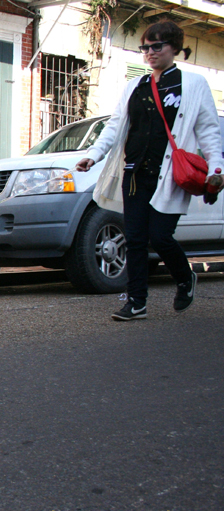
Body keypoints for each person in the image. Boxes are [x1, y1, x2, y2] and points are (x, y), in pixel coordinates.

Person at [76, 19, 224, 321]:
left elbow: (208, 129)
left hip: (170, 175)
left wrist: (216, 166)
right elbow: (116, 126)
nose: (150, 53)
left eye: (157, 46)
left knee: (160, 236)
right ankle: (137, 302)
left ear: (175, 48)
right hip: (135, 173)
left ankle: (185, 277)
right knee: (136, 239)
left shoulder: (192, 84)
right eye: (145, 47)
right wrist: (93, 155)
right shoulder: (135, 85)